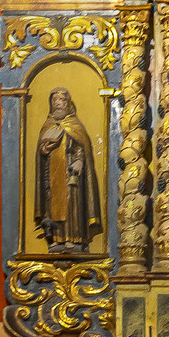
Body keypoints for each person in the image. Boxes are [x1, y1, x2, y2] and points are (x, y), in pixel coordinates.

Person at [34, 87, 102, 253]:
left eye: (62, 100)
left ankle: (74, 238)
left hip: (71, 174)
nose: (59, 104)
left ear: (68, 103)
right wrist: (44, 149)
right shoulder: (48, 124)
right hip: (51, 174)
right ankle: (57, 239)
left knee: (72, 204)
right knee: (53, 205)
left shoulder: (75, 125)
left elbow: (81, 147)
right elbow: (40, 152)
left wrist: (79, 161)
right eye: (55, 100)